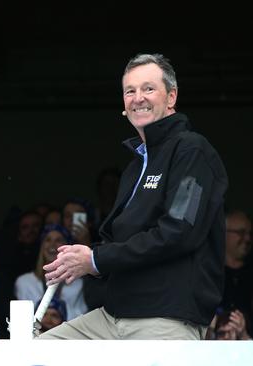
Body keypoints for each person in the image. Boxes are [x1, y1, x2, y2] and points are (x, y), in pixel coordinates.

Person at [41, 53, 228, 340]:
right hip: (113, 314)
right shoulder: (134, 167)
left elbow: (179, 231)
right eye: (130, 91)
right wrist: (81, 260)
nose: (138, 97)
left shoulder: (192, 151)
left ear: (171, 97)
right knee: (34, 353)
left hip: (165, 316)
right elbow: (120, 244)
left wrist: (96, 259)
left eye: (148, 88)